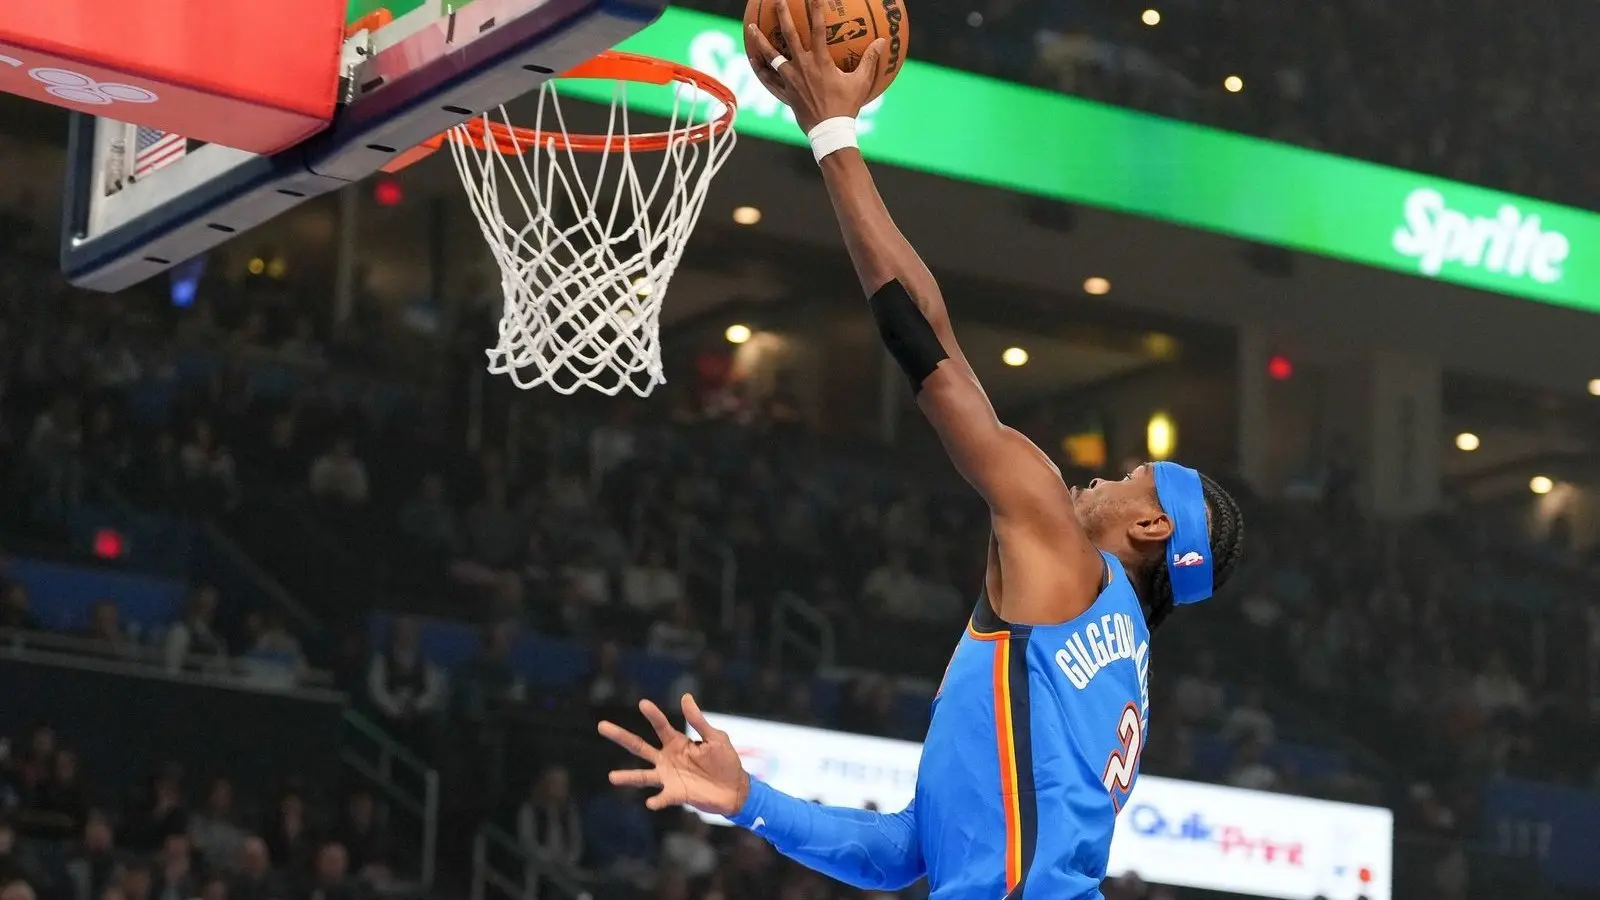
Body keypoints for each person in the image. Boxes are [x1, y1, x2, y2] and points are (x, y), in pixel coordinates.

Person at [598, 5, 1245, 899]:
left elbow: (927, 344)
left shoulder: (1062, 551)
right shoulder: (1108, 662)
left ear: (1151, 526)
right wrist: (750, 804)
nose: (1101, 476)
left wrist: (833, 134)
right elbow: (909, 850)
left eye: (1130, 477)